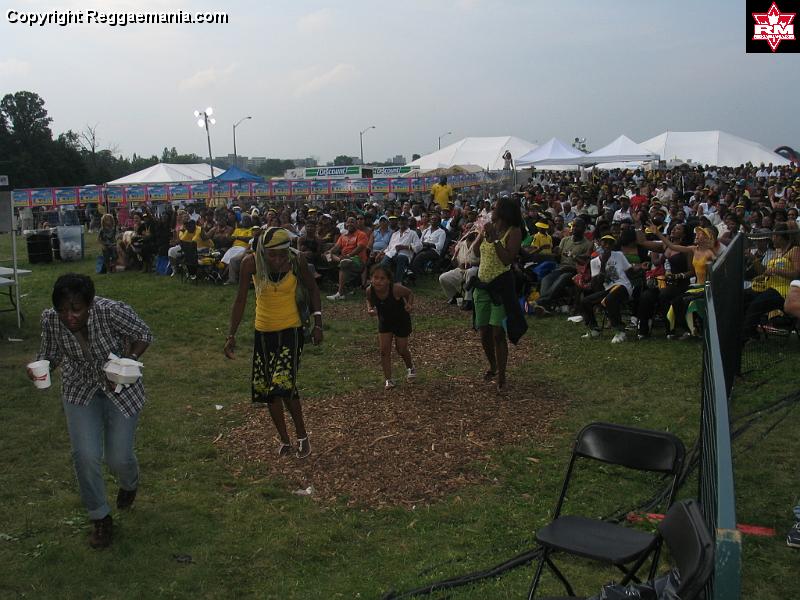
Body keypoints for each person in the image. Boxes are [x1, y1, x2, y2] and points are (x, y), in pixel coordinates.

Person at [28, 274, 153, 548]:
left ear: (90, 304)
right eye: (62, 310)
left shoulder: (111, 312)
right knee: (84, 455)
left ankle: (129, 483)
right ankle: (100, 517)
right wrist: (41, 367)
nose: (69, 316)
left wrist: (127, 361)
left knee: (118, 458)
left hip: (121, 387)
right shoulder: (51, 320)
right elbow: (50, 353)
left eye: (76, 309)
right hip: (79, 389)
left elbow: (143, 334)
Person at [224, 227, 323, 459]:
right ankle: (285, 440)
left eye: (281, 254)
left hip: (291, 331)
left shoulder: (296, 260)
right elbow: (240, 300)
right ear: (262, 251)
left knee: (283, 385)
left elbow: (313, 288)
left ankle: (302, 436)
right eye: (272, 255)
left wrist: (318, 323)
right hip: (263, 332)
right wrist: (231, 335)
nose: (278, 259)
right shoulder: (250, 263)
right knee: (269, 391)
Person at [469, 197, 524, 391]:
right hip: (482, 286)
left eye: (495, 208)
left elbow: (507, 259)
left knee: (498, 333)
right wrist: (481, 234)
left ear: (504, 212)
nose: (491, 211)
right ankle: (492, 365)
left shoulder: (514, 231)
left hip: (500, 288)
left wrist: (494, 239)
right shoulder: (489, 228)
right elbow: (476, 252)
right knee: (484, 332)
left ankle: (502, 375)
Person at [365, 264, 416, 390]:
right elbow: (369, 300)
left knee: (401, 349)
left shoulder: (395, 289)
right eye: (375, 277)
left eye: (382, 278)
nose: (378, 281)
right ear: (371, 279)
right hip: (385, 321)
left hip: (401, 321)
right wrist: (370, 309)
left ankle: (410, 367)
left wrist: (409, 305)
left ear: (388, 280)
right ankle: (388, 379)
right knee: (384, 351)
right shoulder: (370, 290)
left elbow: (409, 293)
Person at [325, 216, 369, 300]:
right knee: (328, 255)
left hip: (358, 261)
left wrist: (349, 255)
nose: (350, 224)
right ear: (345, 224)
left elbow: (360, 248)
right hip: (343, 258)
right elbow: (336, 247)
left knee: (344, 262)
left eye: (352, 222)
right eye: (348, 222)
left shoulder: (361, 234)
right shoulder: (343, 236)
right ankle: (340, 261)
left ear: (356, 224)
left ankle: (340, 293)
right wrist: (330, 251)